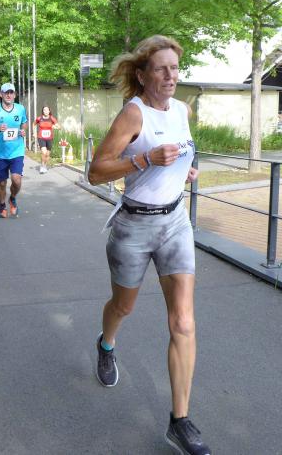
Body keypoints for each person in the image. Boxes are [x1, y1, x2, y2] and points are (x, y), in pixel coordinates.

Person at [87, 35, 209, 455]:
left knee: (184, 322)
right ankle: (106, 344)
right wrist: (144, 159)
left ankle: (180, 421)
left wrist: (185, 170)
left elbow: (186, 151)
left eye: (175, 68)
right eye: (161, 69)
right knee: (123, 306)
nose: (171, 75)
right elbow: (96, 172)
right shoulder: (132, 114)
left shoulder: (183, 110)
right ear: (142, 75)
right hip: (134, 227)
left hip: (175, 223)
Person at [0, 83, 27, 218]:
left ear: (15, 95)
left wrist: (23, 130)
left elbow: (24, 122)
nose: (9, 95)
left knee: (16, 180)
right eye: (6, 92)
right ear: (1, 94)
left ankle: (12, 198)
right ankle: (2, 206)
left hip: (17, 151)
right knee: (2, 183)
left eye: (11, 92)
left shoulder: (20, 108)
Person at [33, 105, 59, 174]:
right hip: (41, 137)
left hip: (50, 138)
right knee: (43, 152)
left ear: (49, 111)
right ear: (43, 111)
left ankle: (45, 165)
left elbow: (59, 127)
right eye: (44, 110)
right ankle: (42, 166)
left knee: (47, 154)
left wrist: (55, 126)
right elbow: (34, 124)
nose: (46, 111)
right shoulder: (39, 118)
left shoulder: (52, 118)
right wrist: (34, 133)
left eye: (47, 110)